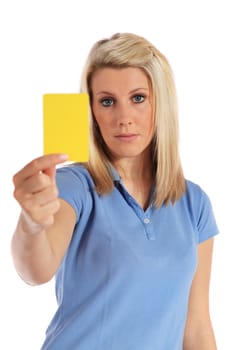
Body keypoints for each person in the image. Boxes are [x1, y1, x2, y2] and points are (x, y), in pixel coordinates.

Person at [11, 32, 219, 350]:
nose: (123, 119)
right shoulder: (73, 185)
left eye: (138, 98)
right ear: (91, 111)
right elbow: (36, 270)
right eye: (107, 102)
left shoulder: (195, 204)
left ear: (160, 103)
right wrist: (31, 223)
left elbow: (197, 327)